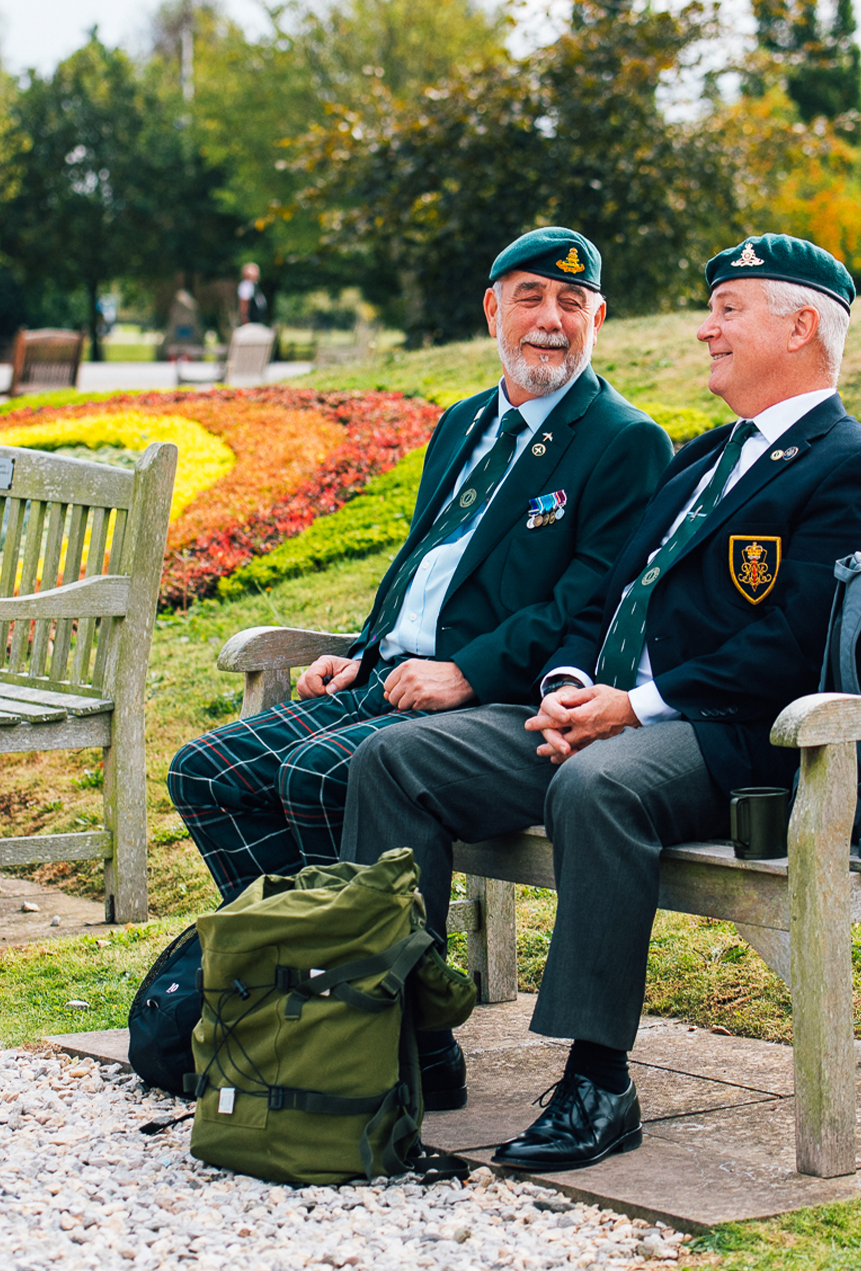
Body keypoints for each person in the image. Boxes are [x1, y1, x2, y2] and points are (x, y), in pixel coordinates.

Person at [339, 233, 861, 1166]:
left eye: (730, 311)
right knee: (399, 760)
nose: (707, 331)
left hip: (742, 738)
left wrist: (634, 709)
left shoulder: (855, 466)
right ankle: (394, 1041)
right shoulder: (704, 460)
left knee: (599, 785)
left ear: (801, 325)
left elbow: (795, 646)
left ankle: (597, 1082)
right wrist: (573, 687)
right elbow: (609, 597)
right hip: (615, 717)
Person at [168, 227, 673, 1107]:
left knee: (318, 774)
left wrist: (468, 672)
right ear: (491, 309)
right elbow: (423, 563)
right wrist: (356, 650)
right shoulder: (466, 422)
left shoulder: (622, 441)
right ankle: (306, 988)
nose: (549, 321)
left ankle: (412, 1039)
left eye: (570, 303)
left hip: (485, 700)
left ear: (599, 318)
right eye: (529, 298)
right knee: (207, 771)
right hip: (386, 674)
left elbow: (587, 606)